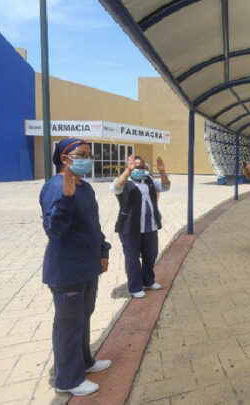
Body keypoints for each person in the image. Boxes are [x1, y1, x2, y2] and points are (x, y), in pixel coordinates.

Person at [39, 138, 112, 396]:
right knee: (68, 325)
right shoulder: (55, 187)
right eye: (81, 154)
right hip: (67, 271)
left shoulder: (86, 188)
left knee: (83, 317)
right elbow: (54, 230)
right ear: (64, 159)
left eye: (89, 155)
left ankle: (85, 361)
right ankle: (67, 379)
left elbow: (93, 225)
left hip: (88, 268)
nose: (87, 159)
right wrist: (67, 199)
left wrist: (103, 250)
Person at [111, 155, 170, 298]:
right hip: (130, 228)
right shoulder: (125, 181)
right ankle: (135, 287)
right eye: (135, 166)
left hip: (150, 227)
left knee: (151, 254)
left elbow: (165, 187)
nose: (138, 168)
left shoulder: (148, 180)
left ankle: (148, 280)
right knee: (132, 258)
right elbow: (115, 188)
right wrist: (127, 171)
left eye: (141, 166)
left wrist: (162, 172)